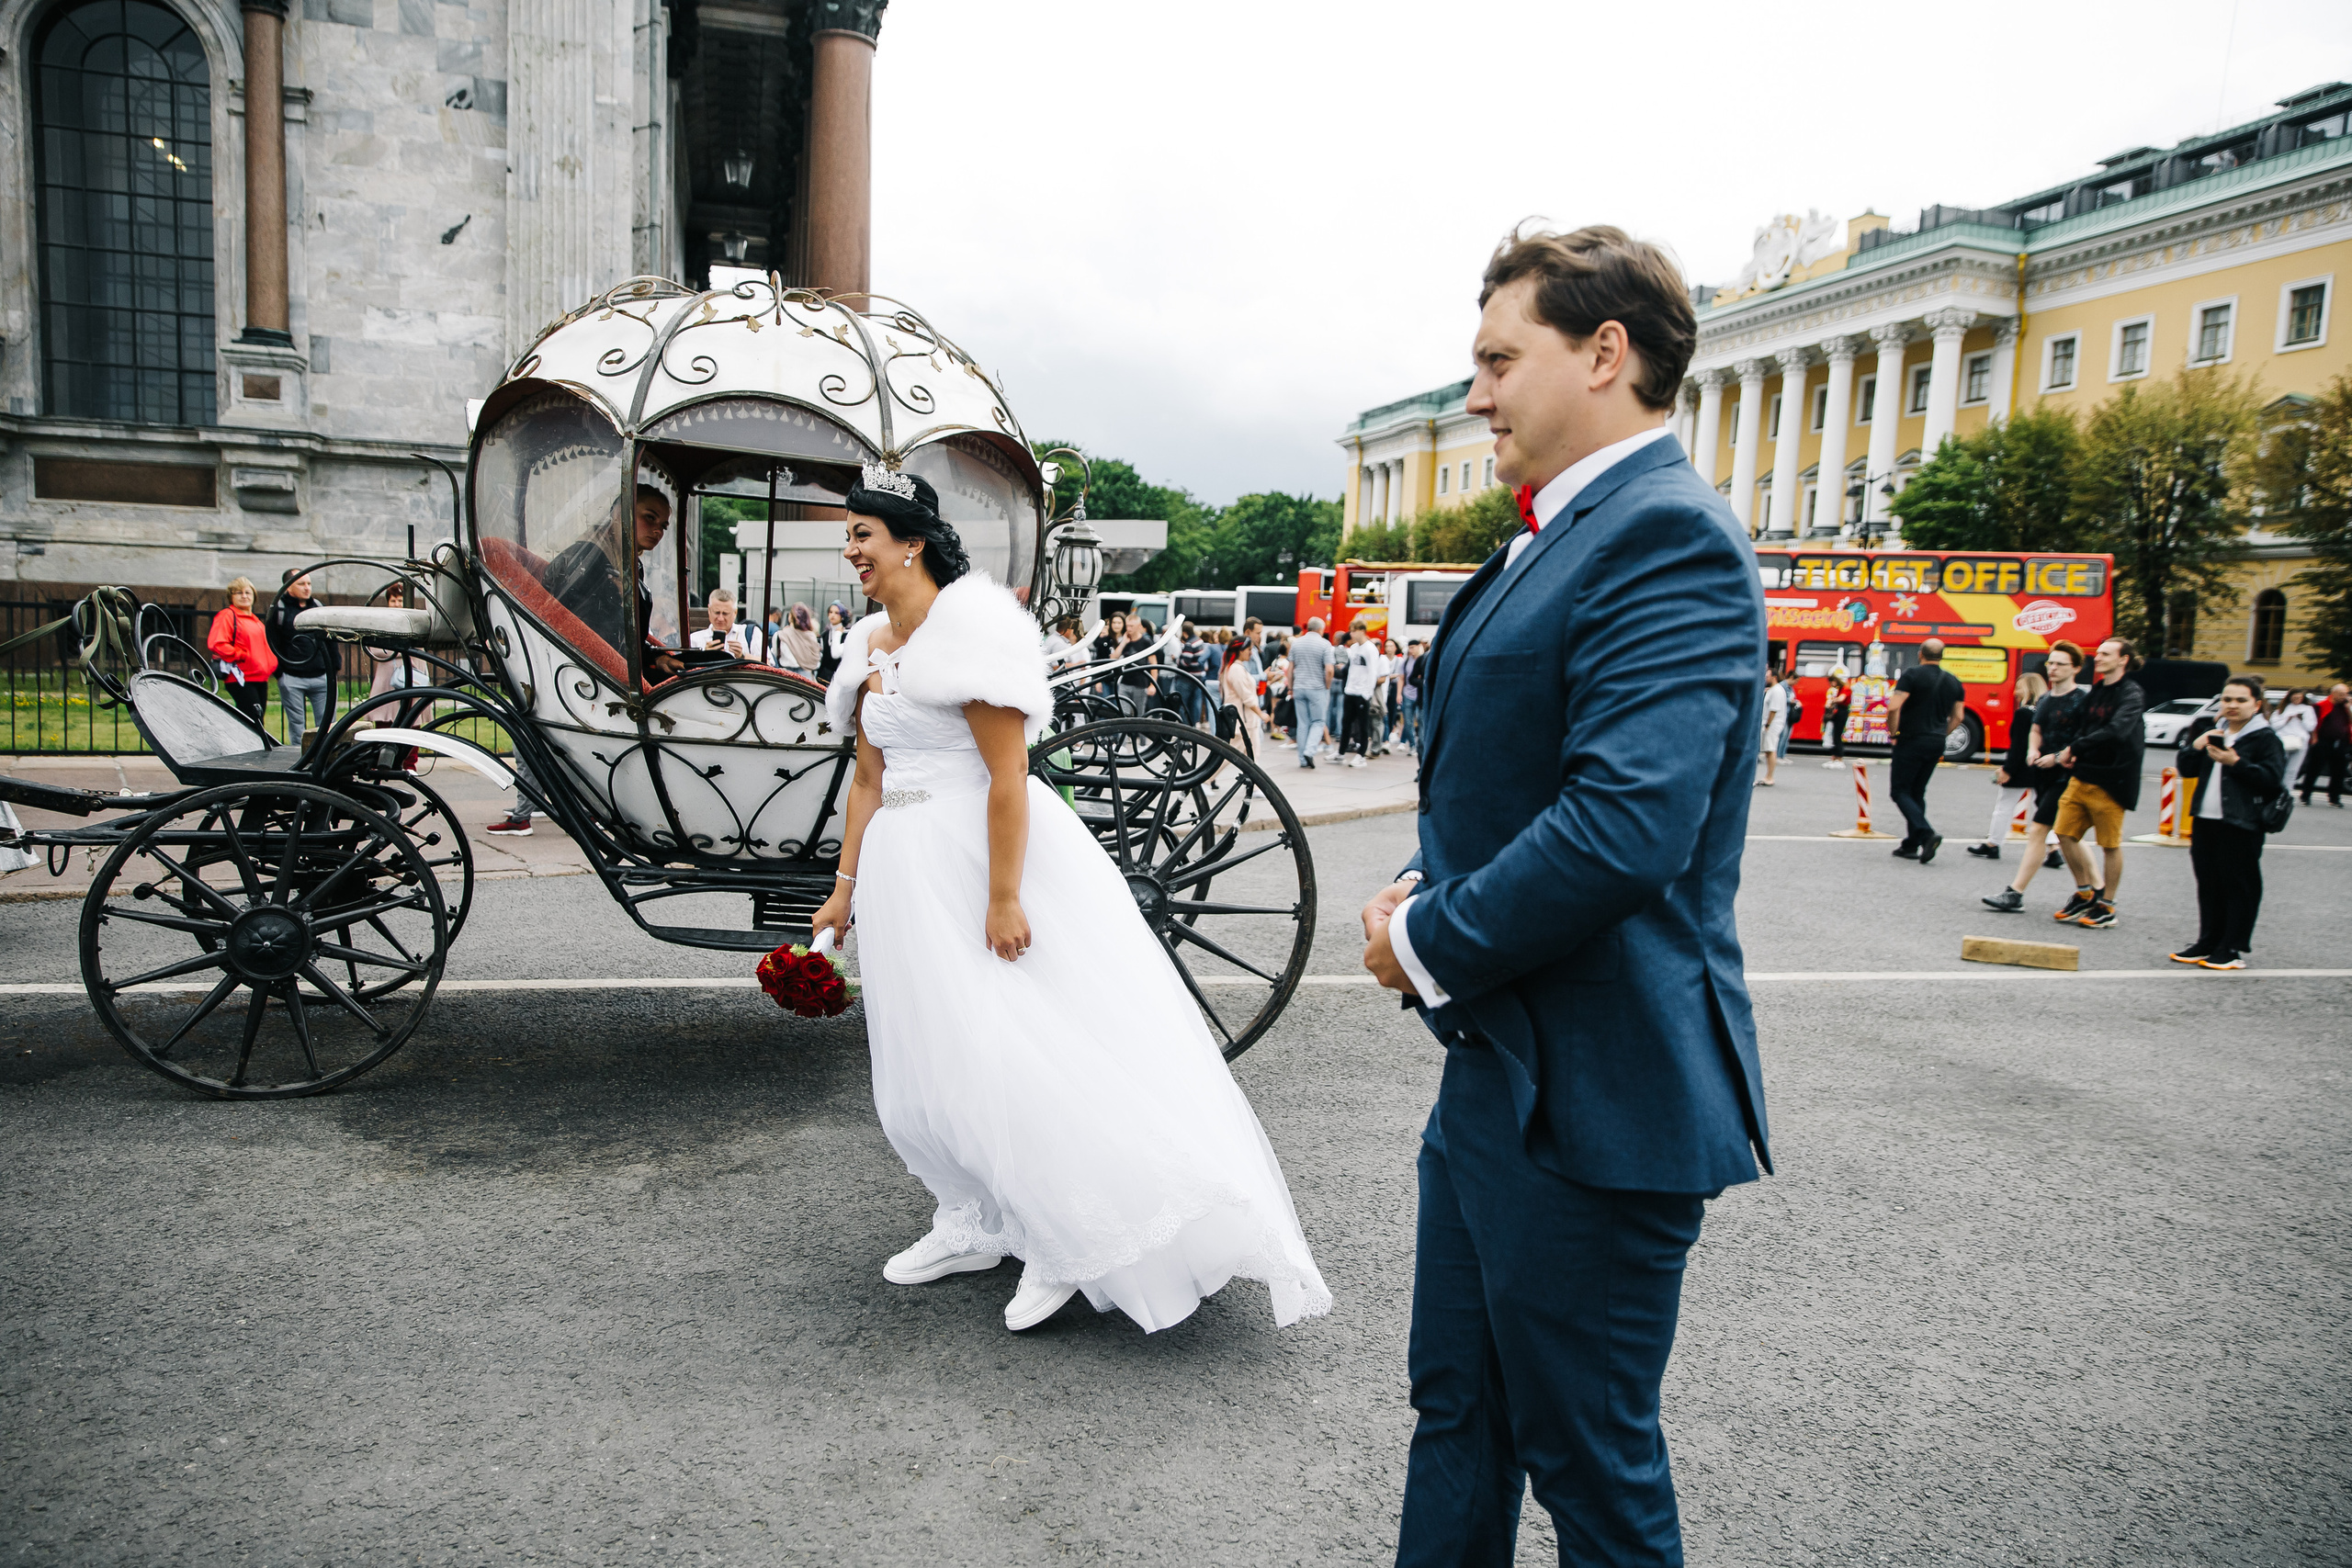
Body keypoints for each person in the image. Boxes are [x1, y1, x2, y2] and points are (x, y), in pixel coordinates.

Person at [1359, 223, 1769, 1566]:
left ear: (1606, 353)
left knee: (1588, 1462)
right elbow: (1520, 779)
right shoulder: (1567, 529)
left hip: (1600, 1096)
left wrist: (1427, 935)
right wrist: (1435, 876)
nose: (1475, 393)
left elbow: (1624, 826)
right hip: (1505, 1065)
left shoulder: (1664, 532)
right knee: (1457, 1414)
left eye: (1495, 358)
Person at [805, 464, 1329, 1336]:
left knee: (1009, 1047)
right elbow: (867, 776)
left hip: (981, 854)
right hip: (904, 870)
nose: (850, 547)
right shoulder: (867, 643)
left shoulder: (968, 635)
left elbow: (1008, 778)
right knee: (927, 1057)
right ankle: (970, 1217)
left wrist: (1004, 896)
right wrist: (844, 886)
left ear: (912, 542)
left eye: (863, 533)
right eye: (849, 533)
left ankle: (1064, 1237)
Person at [2170, 674, 2287, 969]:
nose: (2232, 705)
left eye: (2241, 700)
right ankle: (2207, 940)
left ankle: (2231, 947)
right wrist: (2195, 745)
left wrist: (2235, 763)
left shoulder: (2265, 738)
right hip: (2206, 820)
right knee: (2208, 883)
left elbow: (2272, 780)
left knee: (2238, 885)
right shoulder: (2215, 732)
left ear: (2257, 704)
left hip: (2242, 822)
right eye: (2227, 699)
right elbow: (2186, 769)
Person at [2049, 637, 2148, 929]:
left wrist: (2074, 749)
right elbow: (2081, 725)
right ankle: (2084, 893)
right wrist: (2070, 750)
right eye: (2098, 652)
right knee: (2064, 833)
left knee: (2109, 845)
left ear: (2123, 660)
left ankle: (2107, 905)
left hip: (2112, 779)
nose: (2098, 657)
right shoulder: (2097, 690)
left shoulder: (2131, 693)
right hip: (2083, 775)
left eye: (2105, 653)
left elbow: (2117, 730)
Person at [539, 484, 685, 681]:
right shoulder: (584, 562)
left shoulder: (629, 565)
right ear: (620, 513)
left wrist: (656, 657)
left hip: (615, 673)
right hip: (585, 678)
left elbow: (626, 638)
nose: (658, 531)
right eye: (650, 518)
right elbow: (582, 636)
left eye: (663, 526)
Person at [1981, 643, 2085, 912]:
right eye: (2050, 663)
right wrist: (2034, 749)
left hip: (2068, 777)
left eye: (2060, 663)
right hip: (2044, 774)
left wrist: (2059, 755)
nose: (2052, 668)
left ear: (2076, 668)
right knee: (2066, 835)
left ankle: (2014, 892)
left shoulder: (2081, 701)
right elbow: (2035, 731)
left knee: (2041, 829)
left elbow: (2086, 739)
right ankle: (2093, 892)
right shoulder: (2047, 700)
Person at [1884, 638, 1964, 862]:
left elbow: (1893, 707)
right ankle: (1911, 844)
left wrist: (1893, 733)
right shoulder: (1953, 681)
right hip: (1936, 741)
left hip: (1911, 739)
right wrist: (1942, 734)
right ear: (1942, 656)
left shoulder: (1912, 675)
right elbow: (1958, 716)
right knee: (1917, 792)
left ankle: (1926, 833)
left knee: (1899, 791)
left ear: (1921, 654)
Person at [1967, 671, 2050, 859]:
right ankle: (2053, 849)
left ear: (2028, 689)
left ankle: (1993, 843)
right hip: (2042, 767)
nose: (2015, 693)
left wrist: (2007, 769)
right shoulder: (2046, 711)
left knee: (2004, 806)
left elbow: (2019, 747)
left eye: (2019, 688)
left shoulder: (2023, 713)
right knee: (2043, 810)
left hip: (2022, 769)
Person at [266, 570, 335, 750]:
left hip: (321, 675)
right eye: (301, 584)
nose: (307, 588)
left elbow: (331, 639)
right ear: (288, 587)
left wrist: (334, 667)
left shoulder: (319, 607)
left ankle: (325, 756)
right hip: (292, 677)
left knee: (327, 724)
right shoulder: (278, 610)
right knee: (297, 725)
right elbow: (271, 642)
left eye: (309, 584)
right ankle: (299, 756)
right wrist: (280, 673)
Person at [206, 576, 277, 731]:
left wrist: (272, 664)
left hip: (260, 677)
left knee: (256, 720)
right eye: (238, 592)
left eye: (248, 592)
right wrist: (240, 655)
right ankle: (253, 753)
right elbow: (217, 643)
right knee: (253, 721)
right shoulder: (227, 615)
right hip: (241, 677)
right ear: (231, 596)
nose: (244, 596)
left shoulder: (255, 620)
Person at [1288, 616, 1333, 769]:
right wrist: (1327, 685)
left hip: (1299, 686)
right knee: (1318, 722)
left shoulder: (1296, 643)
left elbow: (1290, 669)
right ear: (1321, 629)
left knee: (1303, 723)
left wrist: (1291, 687)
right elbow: (1329, 669)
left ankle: (1301, 758)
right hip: (1317, 687)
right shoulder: (1325, 644)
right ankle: (1310, 750)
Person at [2301, 682, 2349, 806]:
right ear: (2335, 694)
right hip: (2323, 741)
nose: (2345, 697)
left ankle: (2334, 798)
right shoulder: (2321, 705)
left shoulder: (2345, 707)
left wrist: (2349, 708)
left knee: (2339, 771)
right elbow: (2314, 723)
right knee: (2314, 768)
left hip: (2341, 741)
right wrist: (2314, 738)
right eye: (2343, 694)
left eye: (2346, 694)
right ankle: (2306, 795)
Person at [1338, 621, 1377, 766]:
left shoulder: (1370, 649)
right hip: (1351, 690)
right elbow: (1351, 670)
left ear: (1362, 631)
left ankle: (1361, 755)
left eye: (1354, 631)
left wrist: (1367, 693)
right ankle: (1341, 752)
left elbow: (1373, 672)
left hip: (1362, 693)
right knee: (1346, 723)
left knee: (1362, 725)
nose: (1351, 634)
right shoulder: (1354, 648)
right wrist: (1347, 687)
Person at [1220, 637, 1270, 752]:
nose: (1251, 653)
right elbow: (1246, 697)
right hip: (1244, 721)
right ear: (1241, 650)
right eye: (1249, 649)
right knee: (1247, 757)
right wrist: (1260, 714)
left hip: (1243, 719)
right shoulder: (1236, 669)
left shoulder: (1233, 667)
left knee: (1246, 757)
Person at [689, 589, 762, 660]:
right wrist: (705, 656)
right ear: (709, 610)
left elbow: (769, 663)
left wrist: (743, 656)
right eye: (717, 612)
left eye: (725, 613)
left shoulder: (751, 633)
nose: (720, 618)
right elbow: (686, 668)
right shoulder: (694, 639)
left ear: (735, 612)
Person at [1174, 620, 1213, 726]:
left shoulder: (1189, 644)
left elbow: (1185, 662)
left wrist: (1176, 659)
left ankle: (1186, 725)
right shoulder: (1199, 641)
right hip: (1198, 676)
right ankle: (1194, 724)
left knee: (1182, 703)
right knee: (1195, 703)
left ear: (1185, 632)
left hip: (1187, 677)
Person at [2274, 688, 2315, 784]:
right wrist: (2286, 720)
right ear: (2290, 697)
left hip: (2300, 742)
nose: (2297, 699)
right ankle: (2277, 789)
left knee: (2293, 770)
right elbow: (2274, 725)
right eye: (2295, 696)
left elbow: (2311, 727)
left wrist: (2302, 719)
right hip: (2283, 741)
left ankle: (2287, 792)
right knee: (2280, 767)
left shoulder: (2308, 709)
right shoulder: (2282, 709)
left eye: (2299, 697)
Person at [1758, 667, 1789, 785]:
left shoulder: (1776, 690)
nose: (1765, 678)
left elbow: (1774, 709)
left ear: (1774, 677)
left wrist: (1768, 725)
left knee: (1770, 749)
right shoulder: (1775, 689)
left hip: (1772, 724)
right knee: (1768, 750)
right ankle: (1768, 775)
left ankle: (1770, 777)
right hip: (1772, 723)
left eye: (1767, 676)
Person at [1397, 638, 1425, 754]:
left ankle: (1420, 746)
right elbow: (1402, 678)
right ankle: (1413, 745)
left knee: (1421, 721)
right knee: (1408, 723)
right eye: (1409, 648)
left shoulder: (1423, 659)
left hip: (1420, 695)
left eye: (1413, 647)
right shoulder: (1406, 661)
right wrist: (1399, 694)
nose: (1411, 650)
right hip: (1408, 694)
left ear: (1419, 646)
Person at [1821, 665, 1851, 767]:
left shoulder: (1845, 688)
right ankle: (1834, 757)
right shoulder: (1841, 688)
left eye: (1831, 682)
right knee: (1834, 735)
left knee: (1837, 736)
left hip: (1841, 713)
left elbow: (1842, 699)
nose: (1831, 685)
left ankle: (1839, 758)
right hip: (1840, 712)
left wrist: (1832, 700)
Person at [779, 603, 822, 671]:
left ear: (790, 616)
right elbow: (817, 659)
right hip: (808, 675)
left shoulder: (782, 635)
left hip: (787, 675)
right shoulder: (812, 636)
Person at [818, 602, 852, 684]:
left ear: (842, 616)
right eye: (831, 612)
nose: (833, 615)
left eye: (836, 613)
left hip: (839, 676)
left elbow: (836, 654)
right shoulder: (825, 634)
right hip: (823, 676)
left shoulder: (847, 634)